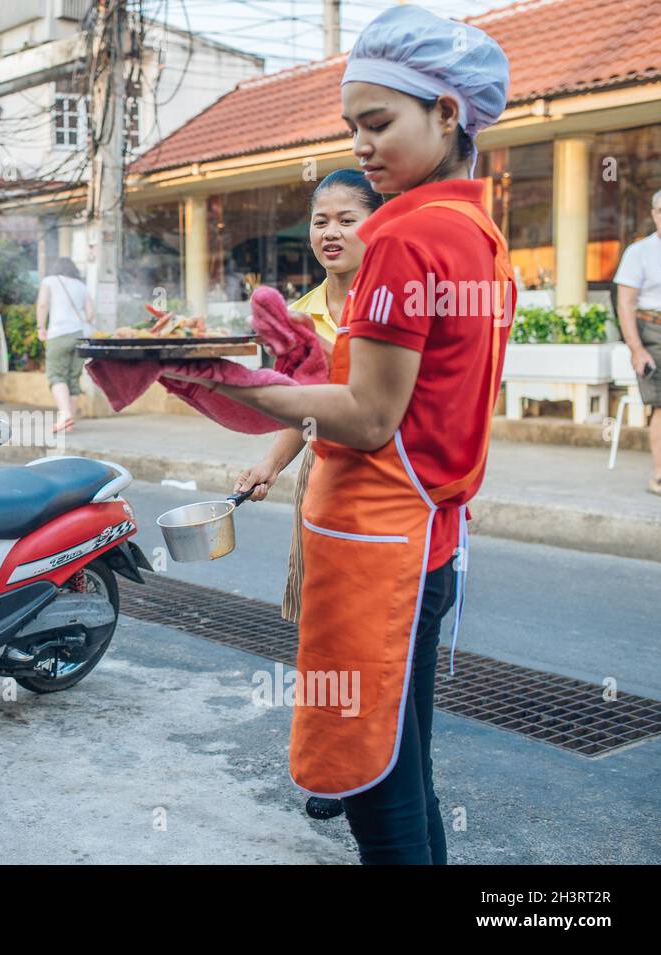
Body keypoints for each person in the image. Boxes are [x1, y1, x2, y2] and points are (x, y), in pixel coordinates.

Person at [167, 5, 511, 864]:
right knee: (407, 763)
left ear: (447, 112)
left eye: (379, 123)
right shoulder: (478, 232)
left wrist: (241, 384)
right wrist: (305, 361)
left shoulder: (403, 236)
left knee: (373, 784)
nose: (360, 145)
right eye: (351, 126)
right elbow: (418, 388)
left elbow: (369, 416)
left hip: (377, 546)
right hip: (427, 537)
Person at [235, 167, 384, 822]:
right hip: (320, 488)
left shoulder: (391, 305)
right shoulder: (301, 316)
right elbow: (305, 416)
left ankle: (380, 759)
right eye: (321, 220)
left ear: (376, 222)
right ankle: (331, 765)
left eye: (346, 218)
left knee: (377, 635)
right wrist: (267, 464)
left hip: (383, 493)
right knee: (323, 635)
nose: (331, 231)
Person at [612, 189, 661, 495]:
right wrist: (636, 349)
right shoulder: (639, 252)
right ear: (656, 214)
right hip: (652, 331)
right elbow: (625, 304)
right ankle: (660, 475)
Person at [37, 256, 94, 433]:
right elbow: (91, 314)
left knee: (57, 375)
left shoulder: (50, 281)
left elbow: (42, 304)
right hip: (79, 335)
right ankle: (69, 421)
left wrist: (40, 326)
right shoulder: (81, 286)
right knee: (73, 378)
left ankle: (64, 415)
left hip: (58, 334)